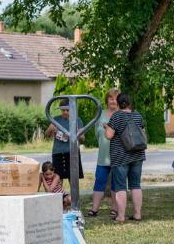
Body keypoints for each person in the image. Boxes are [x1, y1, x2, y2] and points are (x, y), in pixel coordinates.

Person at [105, 92, 146, 222]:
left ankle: (121, 216)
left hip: (120, 156)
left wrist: (107, 127)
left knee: (120, 186)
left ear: (118, 103)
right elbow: (143, 133)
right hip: (138, 154)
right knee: (136, 185)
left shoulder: (116, 116)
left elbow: (109, 136)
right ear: (130, 103)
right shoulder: (138, 115)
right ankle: (137, 214)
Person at [88, 88, 120, 217]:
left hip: (119, 156)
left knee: (117, 183)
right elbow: (97, 134)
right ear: (107, 100)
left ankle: (115, 208)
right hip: (103, 156)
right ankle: (94, 208)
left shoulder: (122, 115)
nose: (113, 100)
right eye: (111, 98)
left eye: (116, 98)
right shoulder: (100, 114)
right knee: (99, 181)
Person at [45, 98, 85, 185]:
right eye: (63, 110)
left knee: (73, 178)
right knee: (58, 178)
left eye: (68, 110)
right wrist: (50, 129)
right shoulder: (55, 119)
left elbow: (82, 138)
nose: (65, 112)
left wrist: (76, 134)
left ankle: (74, 197)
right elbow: (47, 135)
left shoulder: (77, 120)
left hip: (72, 152)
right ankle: (60, 197)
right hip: (58, 152)